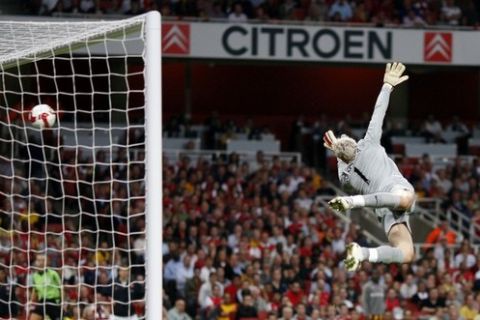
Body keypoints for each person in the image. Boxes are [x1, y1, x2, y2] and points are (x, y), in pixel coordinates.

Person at [324, 62, 416, 272]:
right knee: (406, 199)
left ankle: (363, 253)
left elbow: (343, 157)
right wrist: (387, 86)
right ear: (355, 143)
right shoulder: (369, 143)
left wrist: (336, 150)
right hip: (394, 190)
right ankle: (352, 203)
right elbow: (378, 112)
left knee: (406, 253)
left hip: (384, 210)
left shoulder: (344, 177)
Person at [28, 254, 62, 320]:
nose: (40, 262)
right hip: (42, 302)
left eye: (43, 260)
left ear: (47, 262)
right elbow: (35, 291)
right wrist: (31, 302)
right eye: (38, 260)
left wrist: (63, 302)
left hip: (53, 301)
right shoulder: (34, 276)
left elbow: (61, 288)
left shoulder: (53, 274)